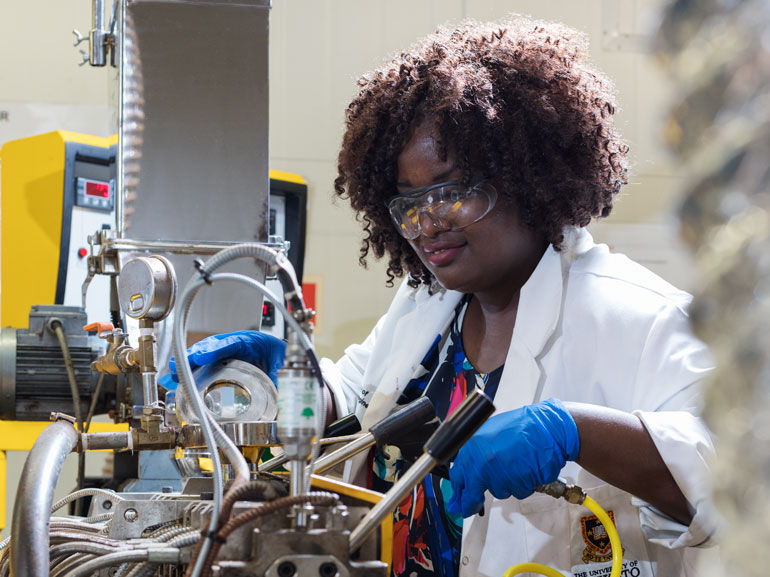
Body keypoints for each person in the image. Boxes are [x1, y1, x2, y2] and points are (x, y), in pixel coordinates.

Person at [162, 16, 717, 577]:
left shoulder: (642, 316)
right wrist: (289, 379)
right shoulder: (430, 300)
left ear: (528, 175)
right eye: (408, 202)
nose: (426, 224)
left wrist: (574, 430)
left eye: (451, 192)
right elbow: (358, 398)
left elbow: (729, 485)